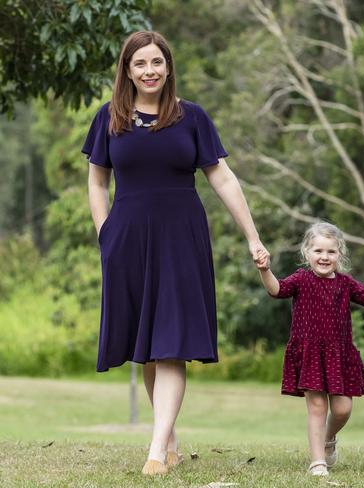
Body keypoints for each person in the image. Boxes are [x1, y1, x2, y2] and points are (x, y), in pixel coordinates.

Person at [83, 31, 269, 475]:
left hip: (181, 239)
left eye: (157, 63)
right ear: (127, 71)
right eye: (140, 64)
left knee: (171, 345)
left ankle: (154, 451)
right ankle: (168, 438)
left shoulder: (192, 117)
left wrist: (252, 236)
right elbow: (96, 181)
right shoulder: (110, 118)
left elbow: (222, 178)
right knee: (147, 347)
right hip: (127, 239)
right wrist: (104, 233)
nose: (150, 71)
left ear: (168, 67)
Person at [256, 222, 364, 476]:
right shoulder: (301, 280)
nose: (324, 257)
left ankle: (328, 440)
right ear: (307, 253)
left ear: (339, 254)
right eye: (318, 251)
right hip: (310, 354)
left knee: (342, 409)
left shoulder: (346, 284)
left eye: (331, 252)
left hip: (339, 355)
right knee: (316, 407)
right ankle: (318, 462)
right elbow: (276, 289)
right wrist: (265, 270)